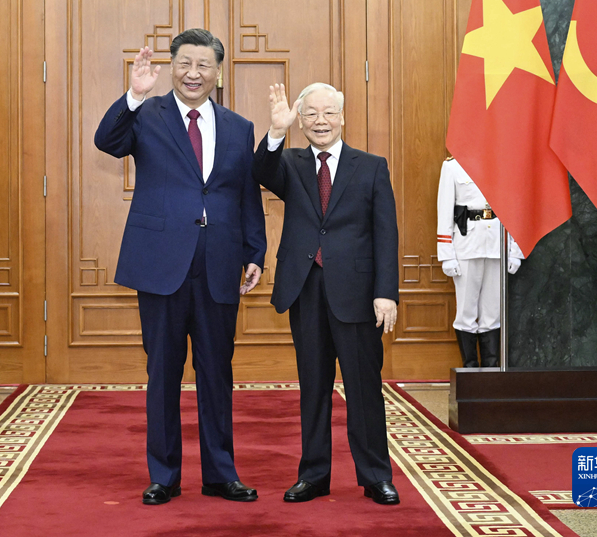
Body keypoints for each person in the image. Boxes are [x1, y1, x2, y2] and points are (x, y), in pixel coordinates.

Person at [94, 29, 267, 506]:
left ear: (218, 72)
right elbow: (106, 141)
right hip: (161, 263)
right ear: (171, 66)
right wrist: (133, 94)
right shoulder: (146, 114)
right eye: (185, 63)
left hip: (219, 264)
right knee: (164, 372)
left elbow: (246, 195)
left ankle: (221, 474)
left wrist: (255, 252)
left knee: (217, 373)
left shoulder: (239, 127)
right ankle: (164, 476)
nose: (194, 73)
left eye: (203, 65)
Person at [252, 82, 400, 505]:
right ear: (300, 121)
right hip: (306, 288)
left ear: (342, 117)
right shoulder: (290, 163)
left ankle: (376, 477)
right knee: (313, 387)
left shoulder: (371, 166)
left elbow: (385, 234)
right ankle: (314, 476)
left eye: (329, 112)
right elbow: (260, 172)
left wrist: (386, 292)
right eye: (311, 114)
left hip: (357, 293)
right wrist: (276, 131)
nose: (321, 121)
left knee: (363, 389)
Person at [437, 157, 523, 368]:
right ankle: (470, 370)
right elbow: (445, 211)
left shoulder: (506, 165)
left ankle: (490, 371)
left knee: (493, 313)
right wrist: (447, 254)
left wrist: (515, 250)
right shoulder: (453, 166)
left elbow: (514, 209)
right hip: (467, 246)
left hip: (497, 244)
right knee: (466, 312)